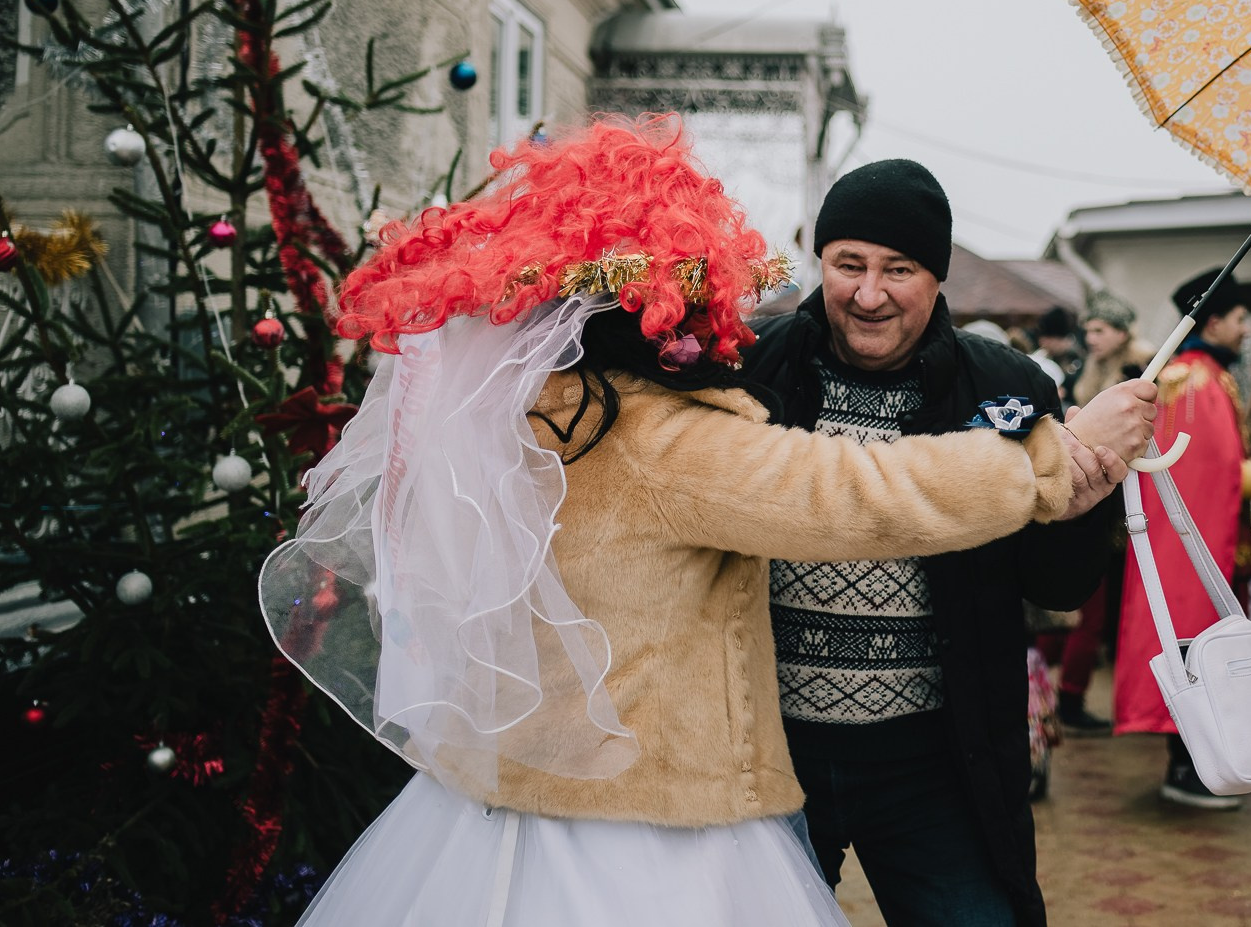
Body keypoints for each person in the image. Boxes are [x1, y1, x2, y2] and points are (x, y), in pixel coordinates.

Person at [260, 123, 1158, 927]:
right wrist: (1053, 459)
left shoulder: (524, 412)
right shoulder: (663, 433)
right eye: (695, 291)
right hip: (653, 812)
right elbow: (852, 493)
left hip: (521, 794)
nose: (705, 322)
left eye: (899, 268)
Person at [739, 159, 1124, 927]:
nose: (869, 293)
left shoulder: (1007, 388)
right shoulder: (752, 365)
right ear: (821, 262)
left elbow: (1054, 584)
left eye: (898, 269)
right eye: (849, 264)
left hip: (935, 762)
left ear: (937, 277)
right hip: (766, 754)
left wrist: (1084, 500)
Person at [1112, 268, 1251, 811]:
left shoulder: (1201, 376)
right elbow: (1198, 476)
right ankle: (1186, 763)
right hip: (1192, 546)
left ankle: (1201, 760)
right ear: (1213, 322)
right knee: (1191, 637)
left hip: (1207, 541)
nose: (1247, 330)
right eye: (1241, 319)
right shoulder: (1189, 382)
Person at [1043, 290, 1158, 735]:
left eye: (1101, 329)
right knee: (1086, 606)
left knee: (1120, 607)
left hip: (1134, 501)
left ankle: (1136, 701)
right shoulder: (1085, 371)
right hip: (1095, 499)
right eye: (1087, 329)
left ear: (1123, 333)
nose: (1091, 337)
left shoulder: (1144, 373)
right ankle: (1068, 696)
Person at [1072, 290, 1157, 409]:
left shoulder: (1144, 368)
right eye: (1087, 332)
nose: (1090, 339)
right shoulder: (1087, 365)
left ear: (1122, 334)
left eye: (1098, 331)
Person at [1028, 306, 1082, 397]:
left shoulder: (1078, 361)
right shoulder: (1040, 357)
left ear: (1062, 339)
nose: (1042, 343)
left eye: (1049, 338)